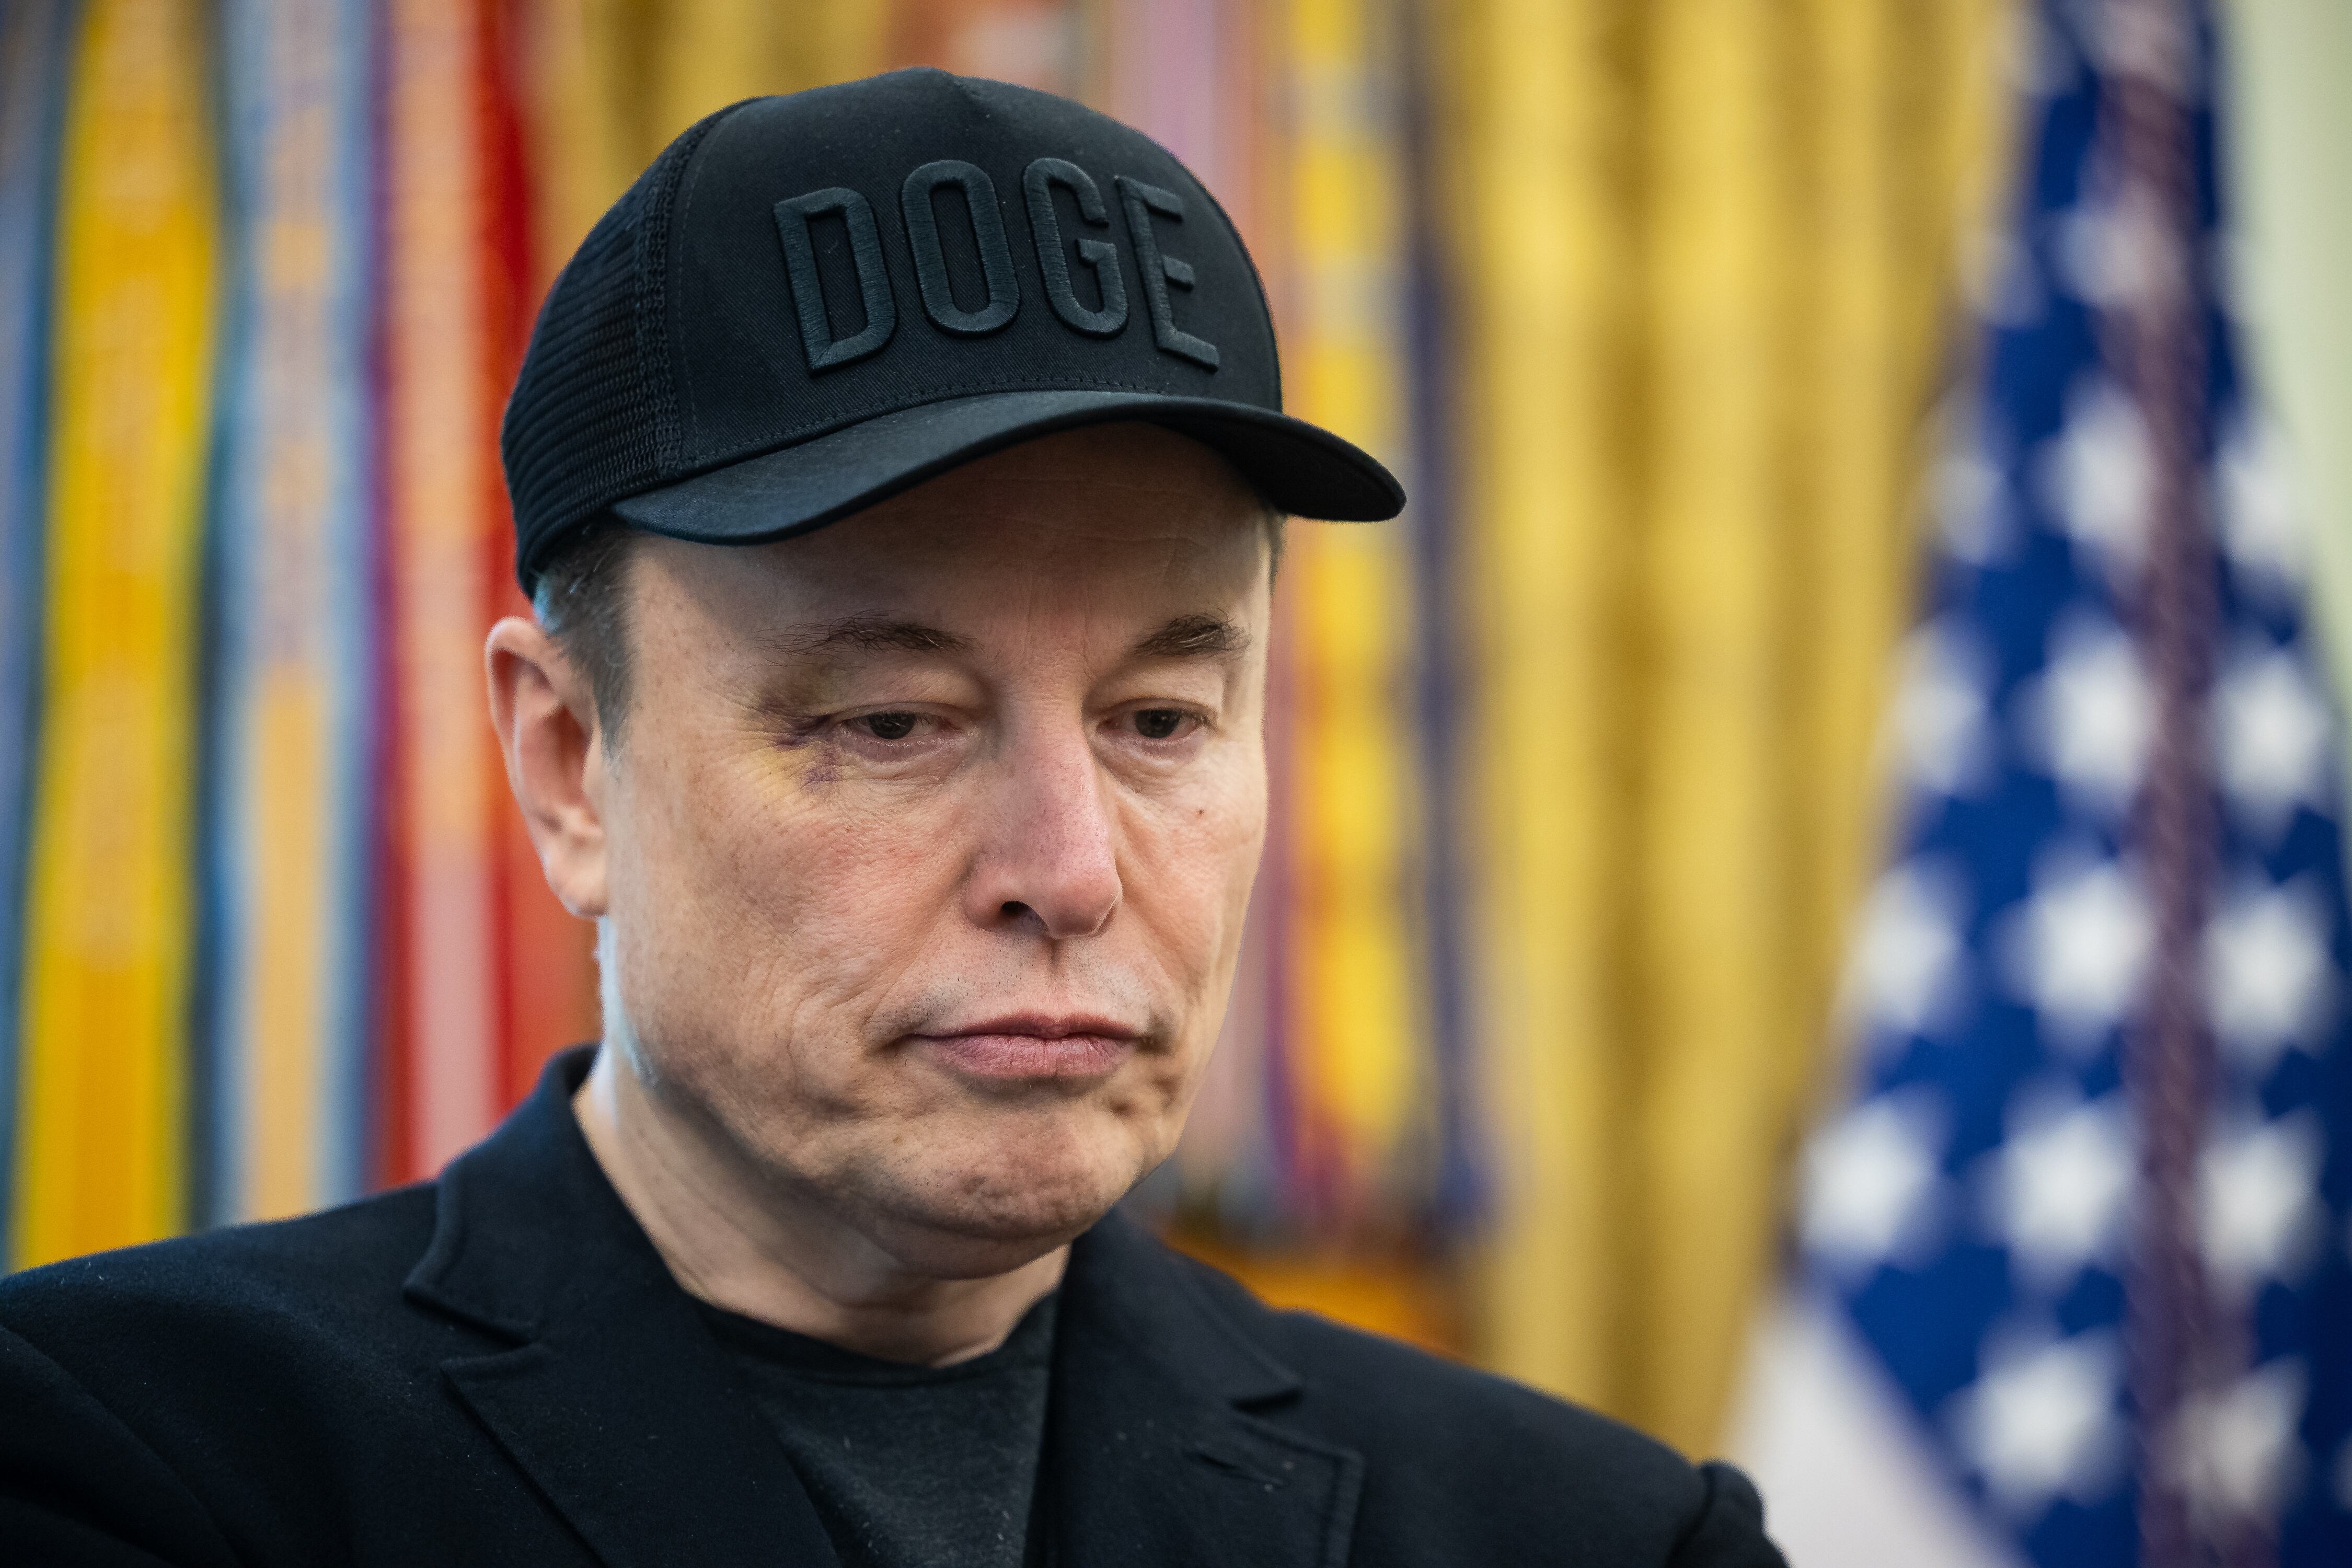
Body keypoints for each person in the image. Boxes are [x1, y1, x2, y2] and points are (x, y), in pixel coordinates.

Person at [0, 70, 1783, 1567]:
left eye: (1160, 717)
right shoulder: (131, 1467)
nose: (1071, 873)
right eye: (888, 723)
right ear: (567, 763)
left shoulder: (1593, 1538)